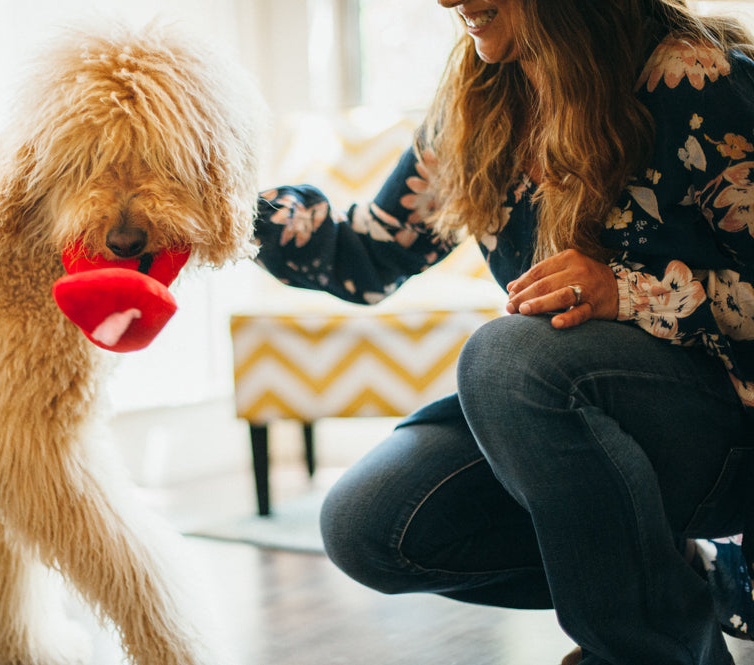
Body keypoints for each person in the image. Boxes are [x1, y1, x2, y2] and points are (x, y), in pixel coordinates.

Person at [252, 1, 754, 663]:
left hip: (725, 438)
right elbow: (366, 256)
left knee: (507, 357)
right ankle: (667, 579)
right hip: (572, 421)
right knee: (367, 523)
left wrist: (628, 290)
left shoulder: (696, 79)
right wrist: (220, 204)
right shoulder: (478, 103)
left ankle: (648, 649)